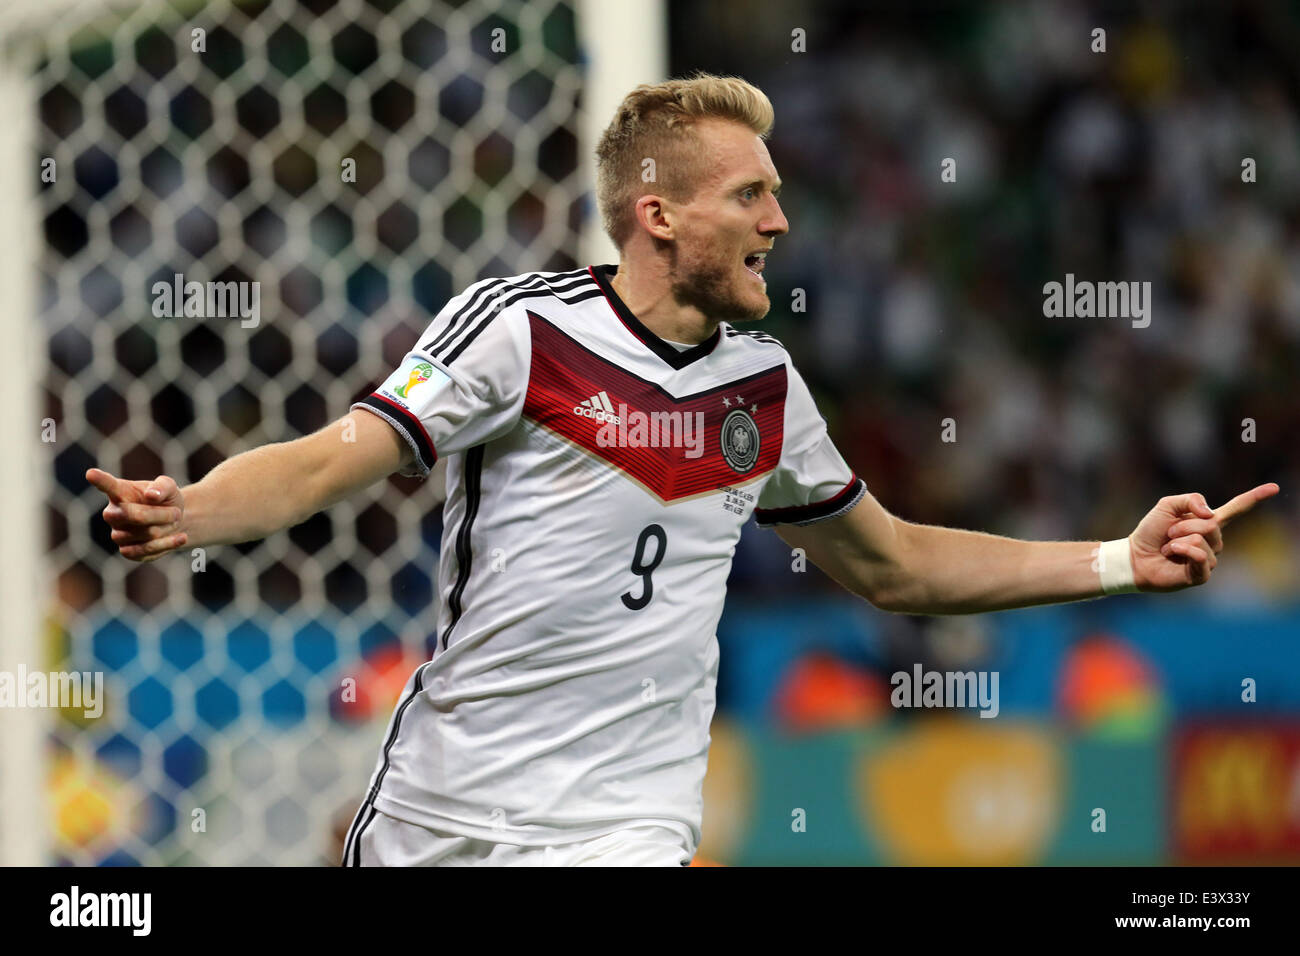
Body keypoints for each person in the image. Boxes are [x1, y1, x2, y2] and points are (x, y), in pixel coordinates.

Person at [86, 73, 1279, 866]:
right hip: (443, 814)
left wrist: (1118, 556)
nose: (779, 219)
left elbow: (899, 563)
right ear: (657, 214)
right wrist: (193, 510)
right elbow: (328, 460)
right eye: (750, 193)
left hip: (625, 826)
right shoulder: (521, 330)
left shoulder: (762, 389)